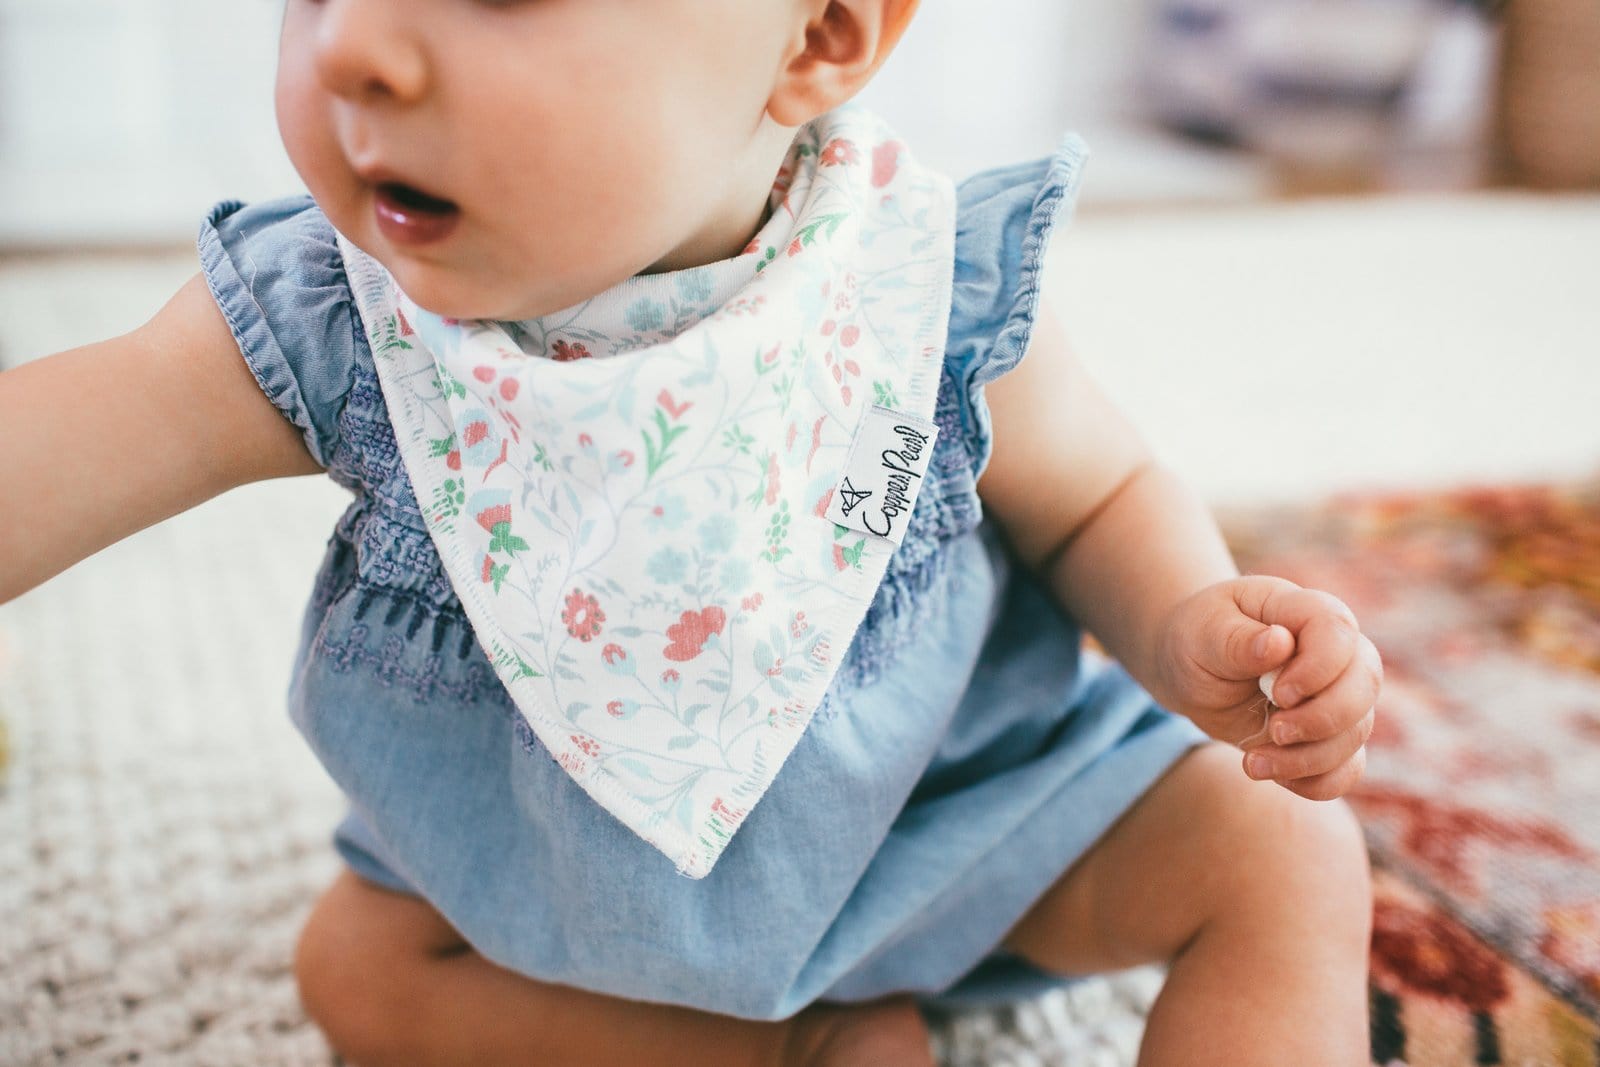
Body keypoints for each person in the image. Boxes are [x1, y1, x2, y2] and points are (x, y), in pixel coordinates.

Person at [0, 1, 1381, 1064]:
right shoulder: (344, 315)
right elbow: (67, 439)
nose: (355, 46)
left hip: (943, 821)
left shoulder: (918, 275)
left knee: (1284, 858)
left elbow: (1097, 496)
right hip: (551, 891)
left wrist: (1194, 621)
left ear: (822, 33)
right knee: (357, 970)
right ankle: (795, 1044)